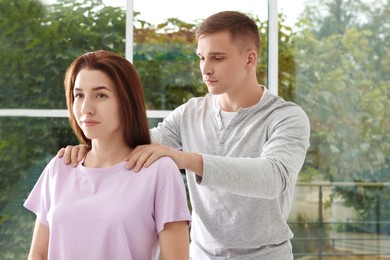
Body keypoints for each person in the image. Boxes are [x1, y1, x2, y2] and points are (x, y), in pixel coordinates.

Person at [59, 11, 310, 259]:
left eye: (217, 58)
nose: (206, 69)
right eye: (201, 57)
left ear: (249, 59)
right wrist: (88, 151)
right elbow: (135, 145)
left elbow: (273, 178)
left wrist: (185, 159)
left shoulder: (285, 117)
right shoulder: (190, 112)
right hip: (201, 256)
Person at [24, 50, 191, 260]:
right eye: (79, 95)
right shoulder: (61, 166)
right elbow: (38, 255)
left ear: (127, 102)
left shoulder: (159, 171)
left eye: (100, 95)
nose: (86, 108)